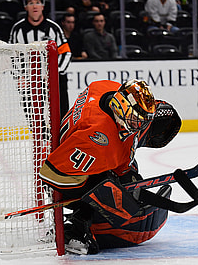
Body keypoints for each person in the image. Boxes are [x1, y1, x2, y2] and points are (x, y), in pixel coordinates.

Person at [40, 79, 181, 254]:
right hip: (63, 175)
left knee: (126, 178)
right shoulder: (97, 136)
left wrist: (127, 175)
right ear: (120, 107)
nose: (140, 125)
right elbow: (50, 174)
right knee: (116, 200)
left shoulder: (107, 87)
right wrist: (97, 191)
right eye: (135, 119)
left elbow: (120, 145)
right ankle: (76, 229)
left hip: (83, 152)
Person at [9, 0, 72, 117]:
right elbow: (11, 55)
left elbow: (66, 53)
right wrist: (19, 75)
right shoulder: (18, 29)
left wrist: (55, 73)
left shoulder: (53, 28)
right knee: (32, 117)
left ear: (43, 5)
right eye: (31, 3)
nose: (35, 6)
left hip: (54, 80)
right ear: (25, 7)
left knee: (60, 114)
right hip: (28, 80)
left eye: (37, 2)